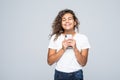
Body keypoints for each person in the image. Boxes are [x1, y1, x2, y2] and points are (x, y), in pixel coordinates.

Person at [47, 9, 91, 80]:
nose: (67, 21)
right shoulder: (55, 37)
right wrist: (63, 49)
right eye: (64, 19)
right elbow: (49, 62)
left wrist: (75, 48)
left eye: (69, 19)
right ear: (61, 23)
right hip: (59, 74)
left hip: (77, 75)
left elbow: (83, 63)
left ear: (75, 22)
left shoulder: (83, 38)